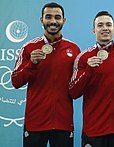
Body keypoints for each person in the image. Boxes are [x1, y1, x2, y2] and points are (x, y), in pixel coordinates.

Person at [11, 2, 80, 147]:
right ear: (41, 19)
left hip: (63, 123)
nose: (53, 21)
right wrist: (32, 64)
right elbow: (15, 82)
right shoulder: (29, 48)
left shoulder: (74, 49)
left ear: (64, 21)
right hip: (35, 123)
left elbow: (77, 87)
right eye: (48, 17)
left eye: (57, 17)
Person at [68, 11, 114, 147]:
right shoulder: (83, 57)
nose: (105, 28)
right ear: (94, 30)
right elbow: (73, 92)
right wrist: (88, 71)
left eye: (108, 25)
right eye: (100, 25)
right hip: (94, 131)